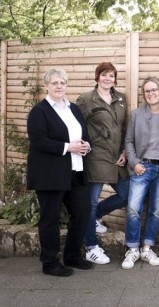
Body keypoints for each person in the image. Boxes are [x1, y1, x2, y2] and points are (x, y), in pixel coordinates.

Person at [27, 68, 92, 276]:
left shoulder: (73, 109)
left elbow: (85, 135)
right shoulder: (40, 111)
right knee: (50, 219)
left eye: (62, 83)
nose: (59, 86)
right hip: (51, 174)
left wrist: (86, 146)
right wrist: (68, 147)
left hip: (76, 171)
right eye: (54, 82)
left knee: (82, 213)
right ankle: (50, 263)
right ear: (47, 85)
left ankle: (72, 256)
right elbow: (38, 140)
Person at [76, 62, 129, 265]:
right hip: (96, 157)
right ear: (97, 77)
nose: (108, 79)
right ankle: (91, 247)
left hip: (117, 158)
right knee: (90, 201)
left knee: (127, 195)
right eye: (104, 75)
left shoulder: (121, 98)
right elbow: (76, 126)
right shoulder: (86, 100)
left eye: (112, 75)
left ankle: (97, 215)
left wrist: (124, 150)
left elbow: (123, 128)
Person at [121, 76, 159, 269]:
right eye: (147, 91)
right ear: (144, 95)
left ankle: (147, 248)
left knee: (155, 212)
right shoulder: (136, 115)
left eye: (154, 90)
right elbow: (128, 141)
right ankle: (132, 249)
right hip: (142, 168)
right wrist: (134, 163)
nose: (151, 93)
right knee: (134, 210)